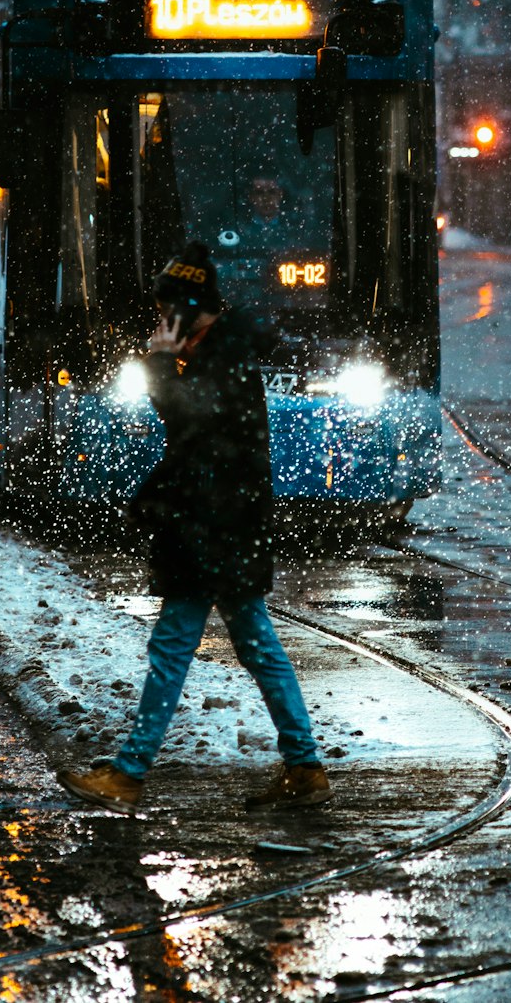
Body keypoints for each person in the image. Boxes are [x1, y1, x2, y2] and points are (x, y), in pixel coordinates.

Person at [58, 241, 331, 815]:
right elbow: (194, 434)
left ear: (185, 309)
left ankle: (131, 773)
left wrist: (159, 362)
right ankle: (304, 766)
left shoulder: (223, 354)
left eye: (167, 312)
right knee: (254, 645)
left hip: (215, 530)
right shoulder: (215, 349)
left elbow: (192, 420)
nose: (161, 322)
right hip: (221, 528)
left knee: (175, 645)